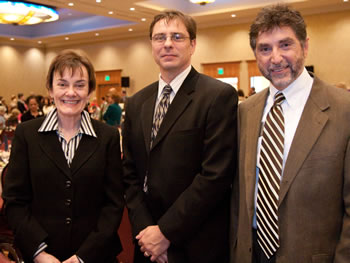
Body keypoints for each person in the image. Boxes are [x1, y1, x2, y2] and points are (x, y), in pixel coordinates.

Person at [230, 4, 350, 263]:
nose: (275, 58)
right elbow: (239, 196)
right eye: (265, 48)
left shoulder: (344, 110)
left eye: (285, 45)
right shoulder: (246, 111)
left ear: (305, 47)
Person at [123, 10, 237, 263]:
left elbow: (215, 176)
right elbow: (130, 175)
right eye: (159, 37)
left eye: (177, 36)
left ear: (193, 44)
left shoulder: (217, 96)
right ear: (151, 44)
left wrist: (166, 233)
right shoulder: (136, 102)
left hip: (195, 243)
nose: (167, 44)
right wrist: (147, 233)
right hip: (147, 246)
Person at [3, 50, 124, 263]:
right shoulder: (27, 134)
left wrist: (82, 257)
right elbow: (15, 201)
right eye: (62, 84)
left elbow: (113, 205)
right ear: (50, 89)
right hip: (41, 255)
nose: (71, 92)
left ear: (90, 91)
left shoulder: (108, 137)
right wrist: (39, 253)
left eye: (79, 85)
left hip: (95, 256)